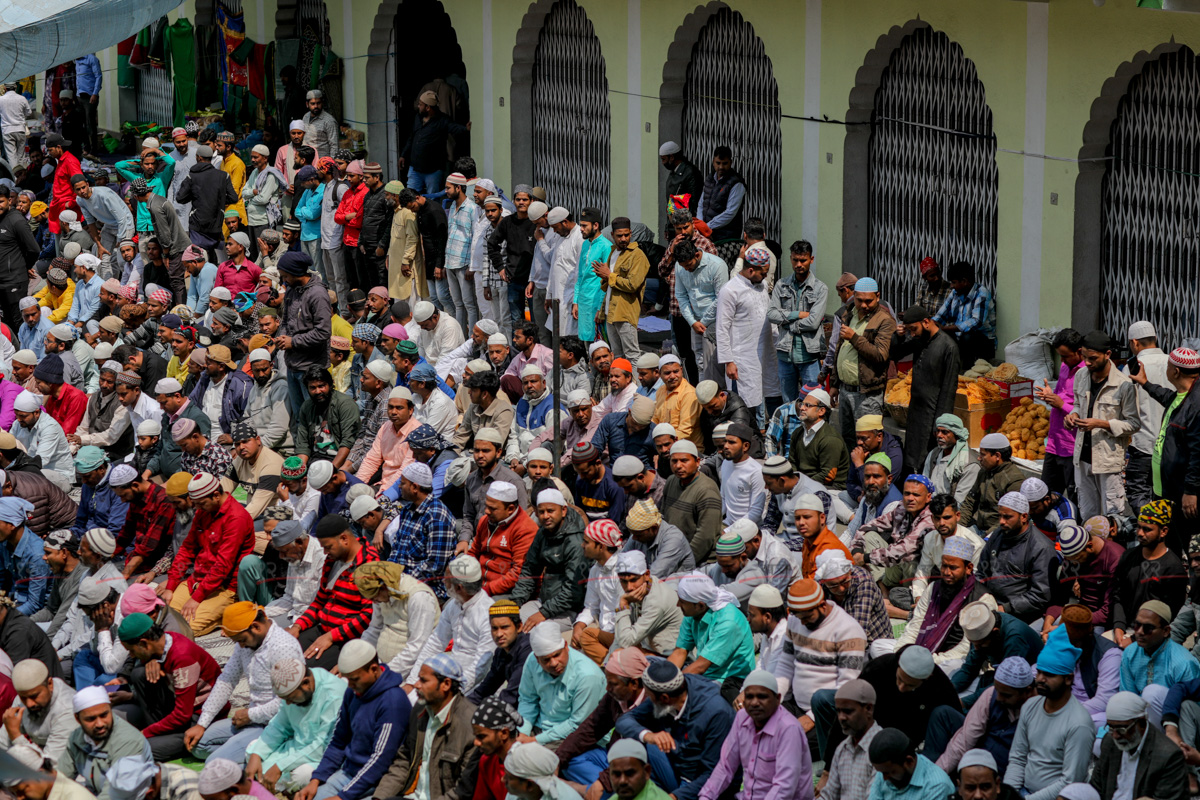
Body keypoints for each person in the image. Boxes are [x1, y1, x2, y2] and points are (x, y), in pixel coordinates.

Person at [184, 602, 304, 762]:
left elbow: (288, 702)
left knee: (215, 762)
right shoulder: (245, 645)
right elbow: (227, 680)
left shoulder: (283, 647)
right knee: (198, 746)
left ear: (256, 627)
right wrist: (202, 723)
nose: (240, 645)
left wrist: (250, 715)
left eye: (241, 640)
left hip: (277, 724)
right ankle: (256, 752)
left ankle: (269, 753)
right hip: (253, 720)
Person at [295, 640, 411, 800]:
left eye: (355, 679)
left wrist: (342, 797)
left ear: (374, 669)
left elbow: (380, 759)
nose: (350, 684)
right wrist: (316, 779)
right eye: (348, 679)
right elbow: (338, 742)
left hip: (377, 783)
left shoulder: (393, 701)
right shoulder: (353, 692)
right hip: (347, 773)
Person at [614, 659, 734, 800]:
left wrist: (674, 797)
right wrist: (648, 736)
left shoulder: (715, 712)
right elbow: (625, 720)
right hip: (675, 767)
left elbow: (714, 773)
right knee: (640, 743)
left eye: (649, 696)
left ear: (664, 698)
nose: (647, 700)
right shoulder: (670, 690)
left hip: (702, 784)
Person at [160, 472, 255, 636]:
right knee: (161, 615)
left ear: (216, 495)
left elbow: (223, 565)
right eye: (195, 504)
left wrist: (196, 598)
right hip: (197, 580)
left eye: (201, 504)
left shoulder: (236, 518)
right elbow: (187, 550)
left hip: (224, 588)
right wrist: (171, 584)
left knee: (185, 629)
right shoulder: (203, 512)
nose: (197, 508)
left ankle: (223, 616)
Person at [114, 613, 221, 760]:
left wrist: (145, 733)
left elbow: (182, 715)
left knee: (140, 748)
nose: (131, 656)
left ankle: (170, 741)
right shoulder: (163, 643)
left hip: (197, 717)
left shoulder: (183, 658)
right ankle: (160, 734)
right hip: (177, 706)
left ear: (145, 644)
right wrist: (151, 660)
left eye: (132, 650)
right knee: (139, 674)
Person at [1004, 635, 1095, 800]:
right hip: (1022, 792)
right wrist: (1009, 794)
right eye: (1039, 672)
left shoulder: (1079, 724)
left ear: (1068, 679)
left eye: (1049, 675)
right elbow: (1018, 758)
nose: (1039, 679)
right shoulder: (1030, 706)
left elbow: (1070, 782)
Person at [243, 659, 347, 795]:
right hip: (296, 748)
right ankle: (276, 783)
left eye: (290, 697)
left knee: (302, 775)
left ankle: (273, 782)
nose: (288, 703)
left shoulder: (333, 696)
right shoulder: (294, 692)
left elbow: (323, 746)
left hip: (321, 756)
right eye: (285, 698)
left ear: (305, 683)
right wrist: (256, 755)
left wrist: (280, 766)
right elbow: (279, 725)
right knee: (253, 748)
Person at [1065, 330, 1139, 520]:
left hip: (1108, 460)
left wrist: (1102, 423)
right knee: (1088, 515)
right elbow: (1077, 403)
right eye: (1084, 357)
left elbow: (1133, 424)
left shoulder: (1124, 385)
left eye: (1093, 358)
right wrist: (1072, 415)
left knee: (1113, 517)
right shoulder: (1082, 375)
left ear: (1107, 354)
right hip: (1082, 458)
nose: (1087, 362)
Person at [1131, 347, 1200, 550]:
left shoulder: (1196, 404)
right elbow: (1168, 397)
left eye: (1168, 366)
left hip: (1182, 494)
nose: (1166, 370)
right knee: (1169, 541)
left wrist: (1191, 491)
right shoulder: (1183, 395)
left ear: (1175, 372)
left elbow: (1198, 453)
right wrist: (1145, 383)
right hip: (1166, 489)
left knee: (1183, 543)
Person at [851, 475, 938, 615]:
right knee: (870, 537)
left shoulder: (930, 518)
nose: (910, 498)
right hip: (896, 566)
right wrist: (857, 551)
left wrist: (865, 558)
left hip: (919, 574)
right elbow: (867, 527)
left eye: (916, 495)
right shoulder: (902, 508)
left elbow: (903, 550)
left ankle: (902, 605)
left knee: (908, 558)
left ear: (928, 497)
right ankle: (883, 588)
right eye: (907, 493)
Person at [516, 620, 606, 747]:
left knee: (529, 762)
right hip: (539, 728)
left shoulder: (587, 675)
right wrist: (522, 733)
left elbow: (577, 724)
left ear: (565, 646)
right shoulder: (532, 661)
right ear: (537, 658)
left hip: (572, 736)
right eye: (546, 660)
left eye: (557, 655)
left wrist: (535, 740)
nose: (553, 663)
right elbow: (528, 699)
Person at [830, 278, 896, 453]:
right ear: (854, 296)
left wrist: (854, 338)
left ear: (878, 297)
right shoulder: (849, 313)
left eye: (869, 301)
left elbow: (880, 355)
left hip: (867, 394)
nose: (864, 305)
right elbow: (839, 349)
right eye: (860, 300)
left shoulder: (885, 320)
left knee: (868, 443)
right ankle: (853, 477)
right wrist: (835, 384)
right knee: (848, 440)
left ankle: (868, 477)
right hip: (845, 391)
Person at [668, 572, 755, 702]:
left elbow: (701, 665)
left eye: (682, 601)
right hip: (705, 674)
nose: (677, 605)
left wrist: (669, 687)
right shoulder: (691, 612)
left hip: (729, 680)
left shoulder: (728, 621)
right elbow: (680, 651)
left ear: (700, 605)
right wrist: (663, 678)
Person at [894, 306, 961, 474]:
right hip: (916, 411)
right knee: (911, 459)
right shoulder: (920, 340)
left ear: (925, 322)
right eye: (909, 331)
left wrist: (941, 424)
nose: (912, 334)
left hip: (933, 416)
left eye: (913, 329)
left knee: (928, 461)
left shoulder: (948, 347)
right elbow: (895, 354)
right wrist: (899, 336)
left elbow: (948, 390)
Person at [1112, 501, 1187, 648]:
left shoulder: (1173, 568)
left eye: (1147, 529)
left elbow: (1168, 615)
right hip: (1123, 631)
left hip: (1152, 638)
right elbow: (1117, 595)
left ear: (1163, 531)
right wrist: (1118, 626)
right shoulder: (1128, 557)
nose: (1140, 533)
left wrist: (1134, 639)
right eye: (1139, 527)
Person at [973, 492, 1055, 623]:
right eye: (1000, 516)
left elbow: (1040, 595)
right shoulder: (999, 534)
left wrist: (1005, 608)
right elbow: (982, 572)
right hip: (988, 602)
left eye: (1007, 517)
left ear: (1023, 517)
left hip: (1017, 613)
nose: (1001, 521)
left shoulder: (1041, 548)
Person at [59, 687, 152, 800]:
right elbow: (59, 780)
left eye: (104, 715)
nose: (99, 724)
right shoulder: (77, 737)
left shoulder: (129, 742)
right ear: (77, 719)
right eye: (91, 719)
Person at [352, 561, 439, 678]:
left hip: (410, 671)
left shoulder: (419, 597)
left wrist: (384, 675)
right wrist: (357, 658)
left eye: (375, 598)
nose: (375, 602)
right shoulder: (381, 595)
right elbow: (374, 629)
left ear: (384, 588)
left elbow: (417, 647)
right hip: (381, 666)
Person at [1120, 600, 1200, 725]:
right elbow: (1127, 697)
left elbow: (1190, 711)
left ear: (1166, 631)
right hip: (1137, 722)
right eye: (1137, 625)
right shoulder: (1130, 653)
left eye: (1148, 628)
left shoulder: (1184, 663)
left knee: (1152, 693)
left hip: (1175, 724)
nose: (1140, 632)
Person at [769, 240, 827, 401]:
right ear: (790, 259)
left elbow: (814, 322)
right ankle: (792, 427)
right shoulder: (781, 285)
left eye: (803, 260)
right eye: (795, 260)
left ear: (811, 259)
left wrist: (787, 322)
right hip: (785, 355)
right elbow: (771, 314)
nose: (799, 264)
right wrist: (798, 314)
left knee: (813, 402)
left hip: (809, 357)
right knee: (789, 403)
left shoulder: (820, 289)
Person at [950, 602, 1044, 696]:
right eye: (973, 643)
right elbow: (969, 669)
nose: (976, 648)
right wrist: (948, 691)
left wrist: (964, 702)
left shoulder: (1014, 639)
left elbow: (1005, 682)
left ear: (995, 632)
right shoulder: (981, 634)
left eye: (980, 644)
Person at [0, 659, 75, 765]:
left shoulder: (67, 710)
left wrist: (16, 736)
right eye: (23, 697)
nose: (29, 704)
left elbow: (51, 768)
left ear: (50, 684)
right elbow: (2, 742)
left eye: (34, 696)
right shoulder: (23, 697)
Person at [660, 441, 723, 564]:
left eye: (684, 461)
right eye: (674, 461)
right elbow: (664, 518)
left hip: (700, 560)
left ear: (697, 462)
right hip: (674, 552)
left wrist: (683, 562)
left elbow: (705, 537)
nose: (678, 466)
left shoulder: (707, 490)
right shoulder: (671, 481)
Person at [821, 679, 883, 800]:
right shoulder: (842, 749)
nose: (841, 718)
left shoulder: (882, 748)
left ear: (868, 709)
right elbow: (828, 795)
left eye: (848, 711)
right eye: (838, 711)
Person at [931, 261, 996, 365]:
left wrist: (946, 328)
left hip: (982, 342)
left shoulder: (982, 293)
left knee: (967, 336)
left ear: (965, 281)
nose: (951, 286)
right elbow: (941, 315)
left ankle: (966, 368)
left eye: (953, 282)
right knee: (937, 334)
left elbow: (976, 322)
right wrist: (930, 325)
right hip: (960, 339)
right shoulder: (955, 293)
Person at [786, 388, 849, 493]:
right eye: (802, 404)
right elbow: (792, 462)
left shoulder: (830, 438)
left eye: (808, 405)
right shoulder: (797, 433)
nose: (802, 408)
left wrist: (800, 485)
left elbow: (827, 475)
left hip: (831, 488)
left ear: (821, 411)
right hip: (803, 485)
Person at [865, 727, 954, 800]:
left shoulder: (937, 786)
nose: (884, 778)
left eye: (890, 772)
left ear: (909, 762)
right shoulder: (886, 769)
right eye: (881, 773)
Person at [921, 416, 980, 506]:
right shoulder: (934, 453)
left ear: (956, 435)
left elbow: (960, 501)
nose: (939, 435)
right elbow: (924, 483)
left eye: (945, 432)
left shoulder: (969, 463)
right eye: (938, 431)